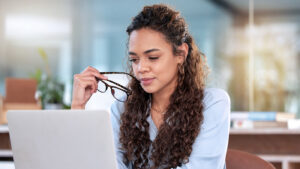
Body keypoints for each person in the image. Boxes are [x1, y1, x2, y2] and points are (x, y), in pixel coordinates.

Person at [71, 4, 230, 169]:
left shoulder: (213, 103)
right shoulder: (122, 108)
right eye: (134, 59)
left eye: (153, 57)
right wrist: (78, 107)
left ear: (181, 54)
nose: (141, 68)